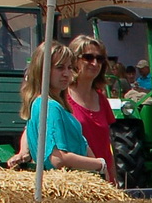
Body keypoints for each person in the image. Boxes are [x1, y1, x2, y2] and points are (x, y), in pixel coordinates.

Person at [20, 43, 108, 179]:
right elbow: (57, 158)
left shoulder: (41, 104)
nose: (67, 74)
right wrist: (100, 164)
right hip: (66, 184)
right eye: (60, 68)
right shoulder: (50, 106)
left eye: (69, 68)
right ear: (43, 70)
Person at [65, 36, 116, 183]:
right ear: (74, 60)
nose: (95, 63)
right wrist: (23, 151)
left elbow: (108, 145)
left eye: (99, 59)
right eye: (88, 57)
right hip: (78, 180)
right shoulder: (62, 97)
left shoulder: (101, 99)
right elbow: (35, 125)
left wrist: (114, 179)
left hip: (103, 180)